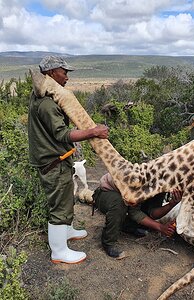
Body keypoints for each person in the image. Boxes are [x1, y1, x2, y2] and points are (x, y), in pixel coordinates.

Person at [28, 56, 109, 264]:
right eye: (64, 72)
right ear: (52, 73)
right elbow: (62, 135)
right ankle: (59, 251)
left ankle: (67, 231)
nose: (66, 77)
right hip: (53, 162)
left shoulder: (42, 96)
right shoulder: (46, 104)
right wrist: (92, 132)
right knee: (59, 206)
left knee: (66, 198)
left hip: (57, 159)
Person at [92, 172, 182, 259]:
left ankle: (126, 226)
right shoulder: (141, 180)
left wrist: (171, 204)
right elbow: (134, 212)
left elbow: (153, 213)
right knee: (120, 204)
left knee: (147, 221)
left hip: (129, 197)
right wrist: (161, 227)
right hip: (105, 193)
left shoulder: (162, 185)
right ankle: (108, 242)